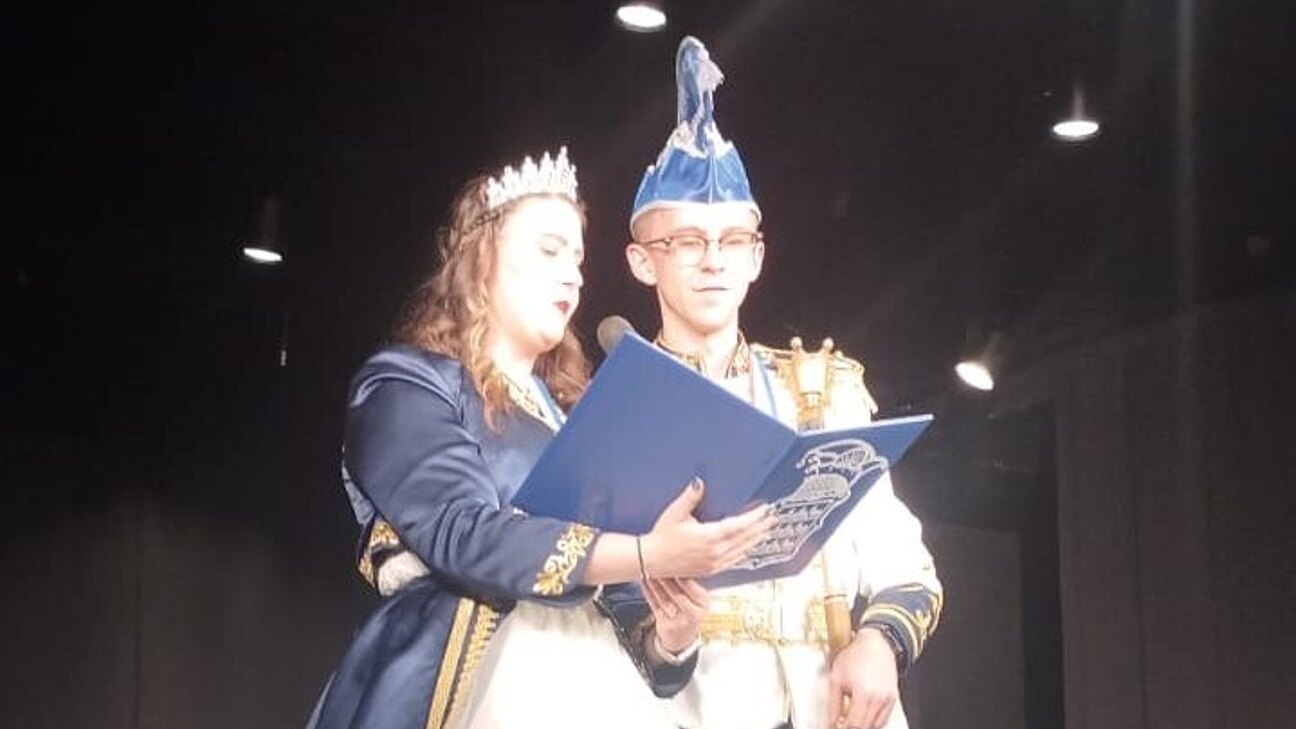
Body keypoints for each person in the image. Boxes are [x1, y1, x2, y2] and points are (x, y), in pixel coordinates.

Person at [305, 147, 775, 729]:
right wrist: (644, 553)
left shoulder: (575, 415)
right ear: (482, 261)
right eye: (549, 251)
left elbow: (626, 606)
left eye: (577, 258)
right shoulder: (406, 383)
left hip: (598, 691)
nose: (573, 274)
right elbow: (461, 533)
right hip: (475, 683)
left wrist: (671, 635)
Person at [617, 38, 945, 729]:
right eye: (687, 241)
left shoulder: (820, 391)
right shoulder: (615, 415)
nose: (713, 260)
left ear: (757, 256)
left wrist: (879, 641)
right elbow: (598, 607)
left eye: (732, 240)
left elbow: (906, 565)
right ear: (644, 262)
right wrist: (667, 638)